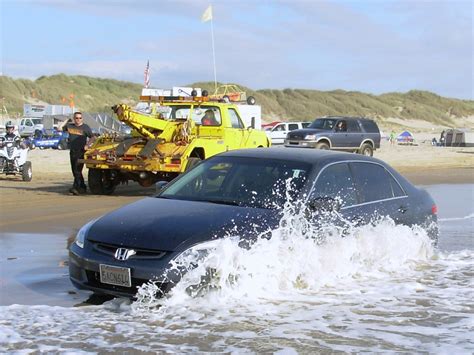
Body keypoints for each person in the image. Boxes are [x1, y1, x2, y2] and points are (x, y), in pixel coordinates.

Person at [59, 112, 94, 195]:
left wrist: (87, 145)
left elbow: (92, 137)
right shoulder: (70, 126)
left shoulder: (85, 127)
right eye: (76, 118)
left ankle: (76, 187)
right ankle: (82, 186)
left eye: (80, 118)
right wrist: (67, 120)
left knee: (77, 170)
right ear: (74, 119)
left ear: (82, 119)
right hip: (73, 151)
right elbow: (59, 128)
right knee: (74, 170)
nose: (78, 119)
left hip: (81, 151)